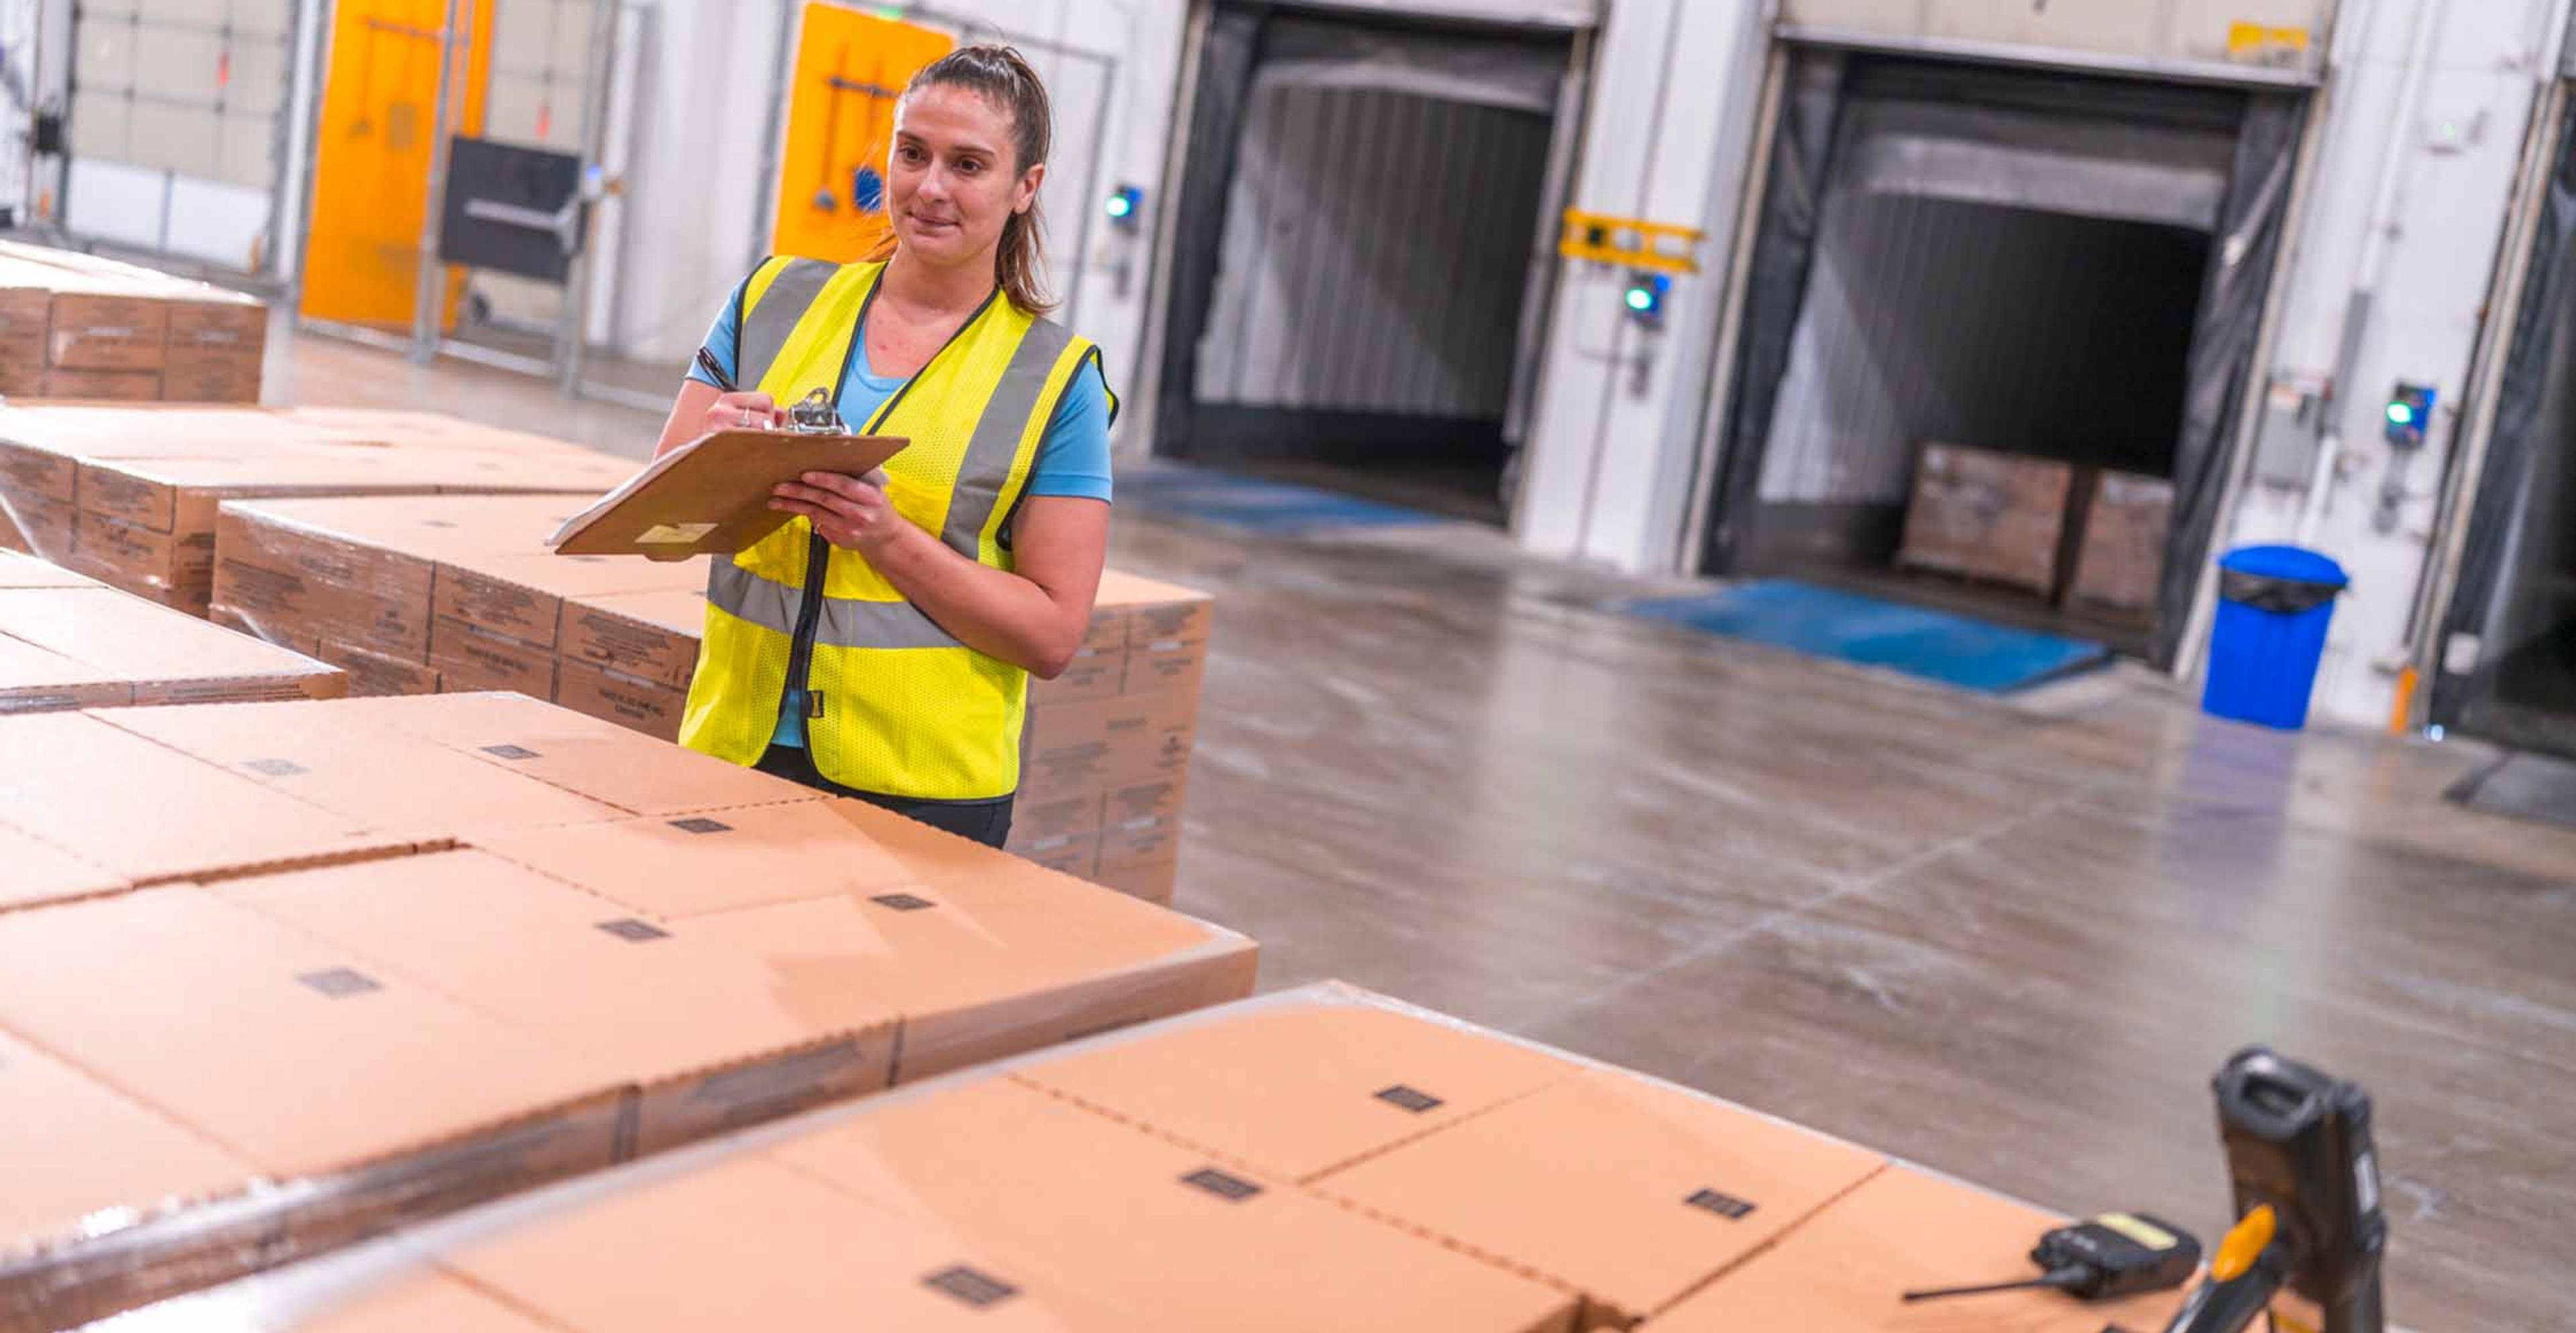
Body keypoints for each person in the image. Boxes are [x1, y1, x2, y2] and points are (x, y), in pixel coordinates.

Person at [655, 44, 1115, 850]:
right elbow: (659, 529)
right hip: (733, 748)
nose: (930, 187)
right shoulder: (770, 301)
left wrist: (890, 541)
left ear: (1024, 187)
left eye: (968, 164)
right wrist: (708, 465)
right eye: (912, 154)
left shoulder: (1056, 381)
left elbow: (1050, 637)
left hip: (921, 790)